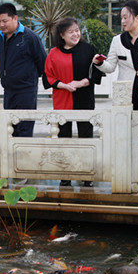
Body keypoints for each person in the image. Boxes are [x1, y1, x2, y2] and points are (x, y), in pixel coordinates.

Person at [45, 17, 102, 187]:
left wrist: (80, 83)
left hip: (84, 100)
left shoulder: (88, 49)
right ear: (62, 35)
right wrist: (64, 86)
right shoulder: (53, 53)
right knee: (64, 138)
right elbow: (48, 77)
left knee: (86, 137)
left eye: (77, 30)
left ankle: (87, 175)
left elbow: (97, 73)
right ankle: (65, 174)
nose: (76, 34)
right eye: (71, 31)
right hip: (63, 100)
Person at [94, 0, 138, 140]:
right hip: (125, 93)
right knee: (125, 131)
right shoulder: (117, 40)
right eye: (121, 18)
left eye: (126, 17)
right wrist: (99, 63)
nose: (123, 21)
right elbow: (110, 67)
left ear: (137, 18)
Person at [0, 3, 47, 137]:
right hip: (8, 90)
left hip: (26, 90)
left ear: (15, 18)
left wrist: (29, 77)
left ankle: (24, 155)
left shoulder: (30, 37)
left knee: (24, 127)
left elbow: (42, 62)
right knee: (10, 127)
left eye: (5, 21)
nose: (2, 25)